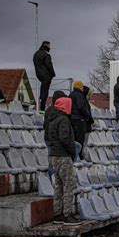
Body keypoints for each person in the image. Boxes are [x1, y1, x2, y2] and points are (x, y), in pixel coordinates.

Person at [47, 96, 81, 226]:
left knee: (59, 185)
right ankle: (67, 214)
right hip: (63, 155)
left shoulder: (52, 119)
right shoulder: (63, 120)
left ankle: (58, 214)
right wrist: (72, 151)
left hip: (54, 155)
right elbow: (65, 138)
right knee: (68, 184)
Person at [69, 80, 91, 159]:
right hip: (80, 120)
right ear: (80, 87)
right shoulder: (79, 95)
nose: (82, 88)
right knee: (80, 139)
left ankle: (75, 155)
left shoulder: (71, 95)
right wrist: (87, 114)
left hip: (72, 119)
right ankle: (78, 156)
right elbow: (81, 107)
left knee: (74, 138)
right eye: (82, 87)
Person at [33, 41, 56, 112]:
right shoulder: (46, 55)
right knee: (45, 91)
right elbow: (49, 65)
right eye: (49, 46)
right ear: (47, 46)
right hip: (46, 75)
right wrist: (53, 74)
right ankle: (42, 108)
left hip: (39, 74)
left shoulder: (36, 54)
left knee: (43, 87)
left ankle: (40, 99)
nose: (50, 47)